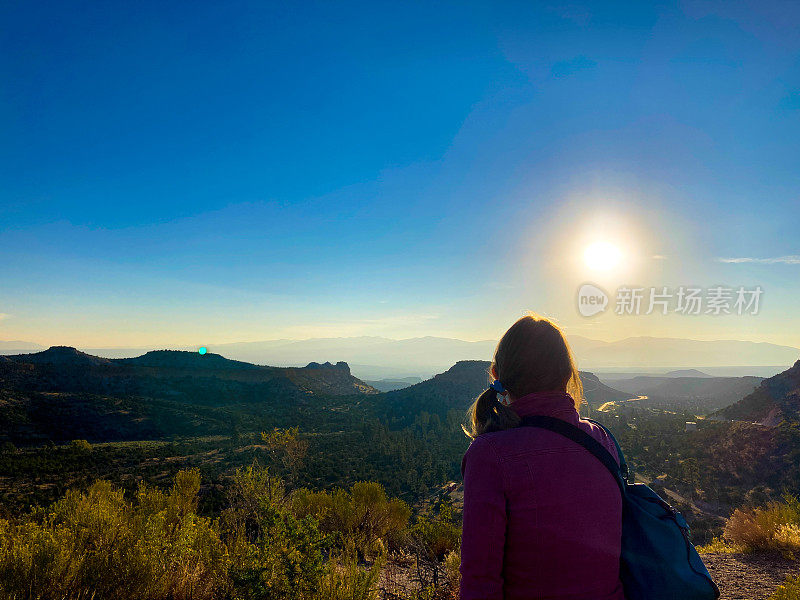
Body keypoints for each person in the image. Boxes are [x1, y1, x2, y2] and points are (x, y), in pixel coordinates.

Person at [459, 314, 624, 600]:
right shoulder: (602, 439)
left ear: (497, 375)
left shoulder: (490, 454)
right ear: (567, 374)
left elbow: (480, 577)